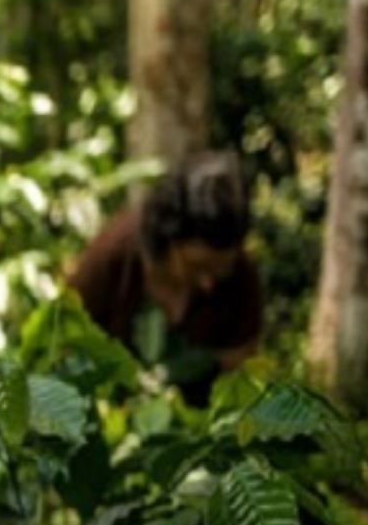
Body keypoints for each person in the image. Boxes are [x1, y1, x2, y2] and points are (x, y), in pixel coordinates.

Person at [67, 151, 263, 404]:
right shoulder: (114, 257)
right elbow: (66, 347)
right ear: (170, 241)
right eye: (197, 267)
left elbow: (240, 374)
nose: (208, 283)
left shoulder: (240, 280)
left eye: (219, 270)